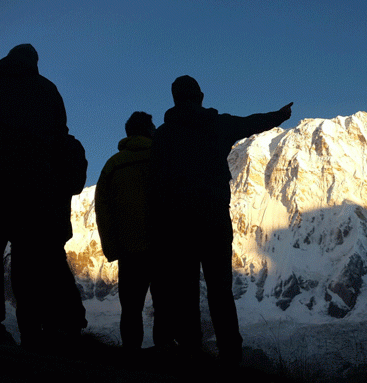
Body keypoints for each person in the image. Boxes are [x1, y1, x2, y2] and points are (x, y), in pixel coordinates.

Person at [150, 75, 292, 366]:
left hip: (179, 222)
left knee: (186, 286)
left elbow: (155, 182)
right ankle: (231, 354)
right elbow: (251, 123)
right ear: (200, 96)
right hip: (214, 217)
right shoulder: (217, 124)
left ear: (175, 99)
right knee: (220, 289)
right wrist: (279, 115)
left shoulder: (163, 135)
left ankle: (191, 349)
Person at [0, 43, 87, 347]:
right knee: (25, 257)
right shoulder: (47, 90)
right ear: (34, 63)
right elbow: (60, 136)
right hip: (33, 186)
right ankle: (30, 329)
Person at [94, 111, 156, 349]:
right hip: (161, 244)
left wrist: (111, 247)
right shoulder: (160, 157)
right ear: (149, 131)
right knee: (165, 302)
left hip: (129, 249)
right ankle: (166, 352)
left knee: (131, 307)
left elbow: (102, 210)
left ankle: (131, 355)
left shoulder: (113, 165)